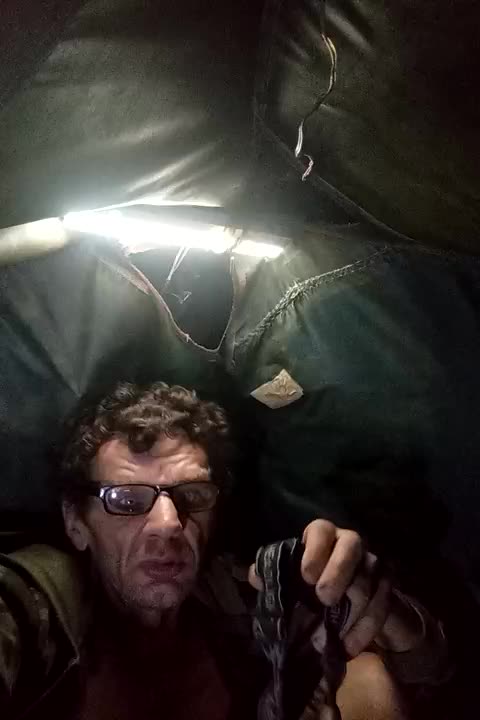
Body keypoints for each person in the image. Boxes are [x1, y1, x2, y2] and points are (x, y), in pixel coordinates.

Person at [0, 382, 449, 720]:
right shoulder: (35, 604)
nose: (169, 524)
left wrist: (382, 604)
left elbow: (431, 668)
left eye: (193, 495)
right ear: (76, 523)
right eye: (127, 500)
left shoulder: (243, 596)